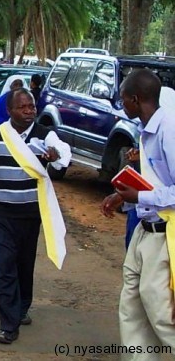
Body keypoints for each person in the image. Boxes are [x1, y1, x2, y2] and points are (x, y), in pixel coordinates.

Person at [0, 88, 71, 344]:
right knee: (3, 265)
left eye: (32, 106)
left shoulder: (44, 135)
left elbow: (62, 155)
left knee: (24, 263)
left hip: (30, 213)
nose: (29, 111)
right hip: (2, 212)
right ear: (9, 111)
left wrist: (56, 156)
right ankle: (8, 323)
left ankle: (22, 306)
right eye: (22, 107)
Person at [100, 69, 175, 355]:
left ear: (135, 99)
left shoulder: (169, 128)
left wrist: (139, 195)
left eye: (123, 99)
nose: (121, 105)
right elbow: (156, 181)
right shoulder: (146, 131)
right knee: (131, 305)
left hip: (164, 235)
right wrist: (124, 197)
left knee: (160, 312)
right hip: (143, 230)